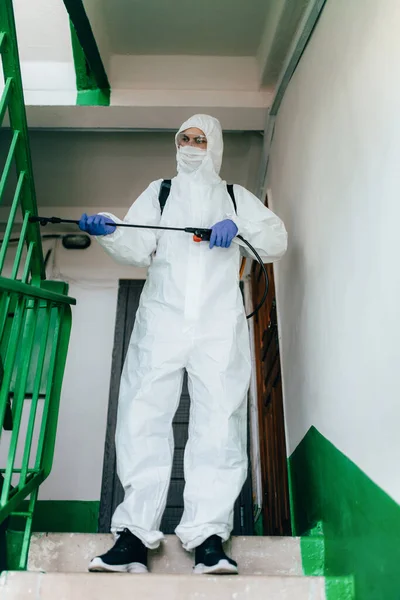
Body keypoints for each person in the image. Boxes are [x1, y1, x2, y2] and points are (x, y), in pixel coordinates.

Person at [79, 114, 287, 575]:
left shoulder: (234, 195)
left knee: (218, 421)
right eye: (183, 139)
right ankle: (132, 539)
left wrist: (237, 226)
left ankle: (209, 538)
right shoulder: (161, 192)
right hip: (163, 321)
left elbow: (275, 240)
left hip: (217, 324)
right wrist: (108, 227)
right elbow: (137, 245)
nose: (191, 146)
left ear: (214, 145)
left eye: (199, 139)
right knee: (142, 415)